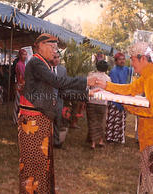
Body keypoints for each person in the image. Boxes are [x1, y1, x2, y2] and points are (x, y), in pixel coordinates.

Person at [18, 33, 97, 193]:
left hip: (41, 118)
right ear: (39, 46)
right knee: (34, 162)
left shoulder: (44, 64)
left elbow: (59, 92)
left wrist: (85, 94)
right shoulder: (35, 62)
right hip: (32, 120)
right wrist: (84, 81)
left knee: (42, 159)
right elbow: (58, 83)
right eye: (52, 47)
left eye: (56, 48)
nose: (55, 51)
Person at [95, 42, 153, 193]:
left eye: (133, 60)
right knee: (148, 176)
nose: (131, 64)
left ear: (143, 59)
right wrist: (107, 86)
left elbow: (152, 110)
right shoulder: (149, 73)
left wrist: (126, 104)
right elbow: (131, 89)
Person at [106, 52, 132, 144]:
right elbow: (116, 86)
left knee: (121, 118)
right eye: (120, 59)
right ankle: (110, 137)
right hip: (114, 98)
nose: (122, 61)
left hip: (123, 97)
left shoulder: (127, 69)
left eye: (123, 59)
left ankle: (119, 137)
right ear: (116, 61)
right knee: (113, 118)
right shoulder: (113, 71)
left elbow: (134, 72)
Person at [86, 60, 111, 149]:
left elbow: (87, 88)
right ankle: (100, 140)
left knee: (92, 121)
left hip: (91, 101)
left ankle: (93, 142)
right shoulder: (108, 78)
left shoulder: (91, 76)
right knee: (101, 122)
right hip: (102, 102)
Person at [49, 52, 67, 148]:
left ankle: (56, 141)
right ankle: (47, 141)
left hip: (59, 100)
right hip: (47, 99)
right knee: (48, 121)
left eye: (58, 57)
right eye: (54, 57)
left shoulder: (62, 70)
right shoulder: (46, 69)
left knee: (57, 120)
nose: (56, 59)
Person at [13, 49, 27, 124]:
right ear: (20, 55)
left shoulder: (24, 64)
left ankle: (20, 119)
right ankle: (15, 119)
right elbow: (24, 75)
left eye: (25, 54)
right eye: (23, 54)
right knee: (18, 104)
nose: (25, 56)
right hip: (20, 85)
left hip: (23, 85)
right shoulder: (19, 64)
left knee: (22, 103)